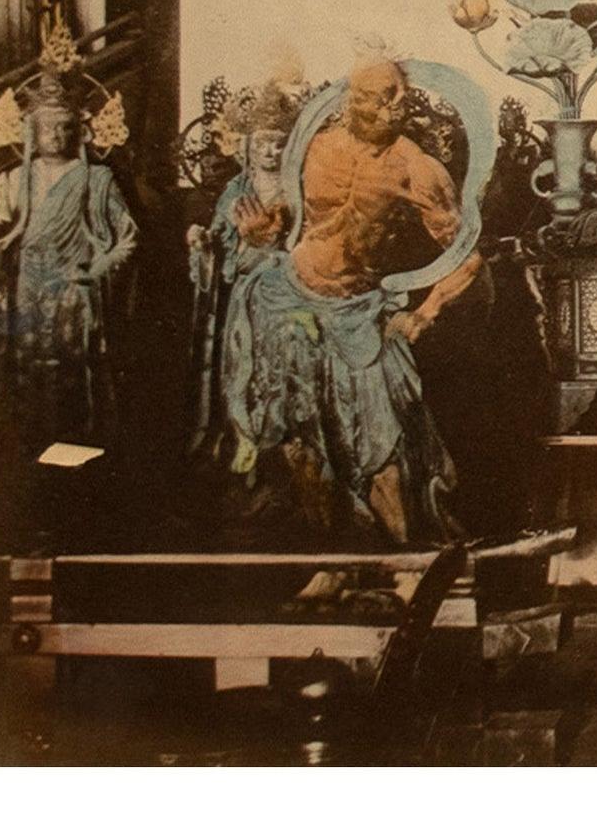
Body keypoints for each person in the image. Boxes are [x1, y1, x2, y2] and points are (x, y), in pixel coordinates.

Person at [220, 58, 479, 542]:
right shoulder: (314, 148)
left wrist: (425, 313)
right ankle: (332, 559)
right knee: (299, 439)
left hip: (357, 311)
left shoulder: (416, 167)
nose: (392, 108)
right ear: (350, 100)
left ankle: (406, 562)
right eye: (378, 96)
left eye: (399, 96)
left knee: (381, 442)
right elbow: (284, 226)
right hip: (288, 301)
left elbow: (468, 258)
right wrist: (259, 237)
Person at [0, 57, 137, 463]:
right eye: (46, 125)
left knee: (74, 366)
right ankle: (30, 455)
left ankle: (77, 456)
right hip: (28, 287)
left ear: (79, 130)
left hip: (75, 287)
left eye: (64, 125)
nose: (54, 134)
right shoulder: (14, 179)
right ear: (29, 129)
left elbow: (128, 238)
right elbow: (1, 232)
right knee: (27, 363)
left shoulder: (96, 181)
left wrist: (97, 270)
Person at [187, 79, 300, 457]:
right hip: (244, 301)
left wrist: (274, 249)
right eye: (262, 142)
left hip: (289, 297)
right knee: (242, 372)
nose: (271, 150)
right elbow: (219, 249)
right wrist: (203, 246)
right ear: (247, 148)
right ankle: (243, 447)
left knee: (286, 375)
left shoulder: (301, 192)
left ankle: (287, 454)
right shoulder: (236, 192)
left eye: (279, 142)